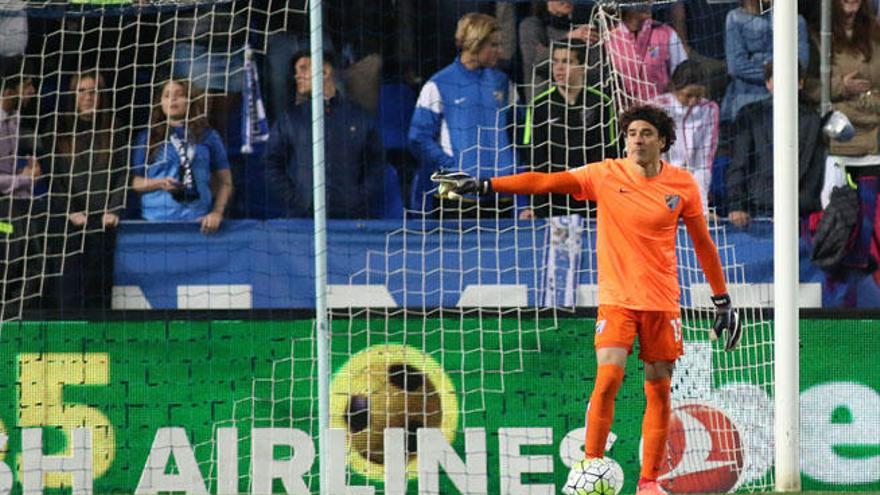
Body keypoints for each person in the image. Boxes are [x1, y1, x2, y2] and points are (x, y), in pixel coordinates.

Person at [431, 104, 742, 495]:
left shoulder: (682, 185)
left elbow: (703, 244)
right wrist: (486, 185)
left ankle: (649, 482)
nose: (636, 140)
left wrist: (722, 299)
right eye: (631, 133)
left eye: (645, 133)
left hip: (663, 301)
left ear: (662, 141)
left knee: (659, 388)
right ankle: (589, 467)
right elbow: (545, 182)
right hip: (617, 299)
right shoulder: (605, 174)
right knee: (609, 375)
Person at [408, 12, 517, 215]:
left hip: (500, 191)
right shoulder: (439, 84)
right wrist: (451, 165)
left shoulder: (503, 83)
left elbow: (518, 130)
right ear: (475, 44)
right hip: (456, 195)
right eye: (493, 45)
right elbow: (418, 138)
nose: (499, 51)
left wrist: (510, 167)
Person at [263, 51, 384, 219]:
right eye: (296, 71)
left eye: (304, 68)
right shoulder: (290, 120)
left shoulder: (359, 117)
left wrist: (357, 198)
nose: (297, 76)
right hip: (303, 221)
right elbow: (271, 164)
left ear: (326, 72)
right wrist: (297, 200)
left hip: (351, 221)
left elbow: (376, 164)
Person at [49, 70, 127, 310]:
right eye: (82, 91)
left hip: (104, 221)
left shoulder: (114, 128)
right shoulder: (59, 129)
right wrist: (70, 211)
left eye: (93, 91)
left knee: (99, 288)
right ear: (73, 95)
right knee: (70, 289)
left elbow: (123, 173)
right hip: (69, 223)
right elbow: (55, 179)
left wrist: (113, 209)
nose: (88, 96)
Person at [520, 40, 617, 219]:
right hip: (553, 201)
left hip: (592, 198)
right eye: (555, 62)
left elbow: (611, 154)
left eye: (567, 62)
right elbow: (535, 161)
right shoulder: (539, 106)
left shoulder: (601, 103)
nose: (559, 68)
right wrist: (537, 206)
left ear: (583, 66)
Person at [727, 62, 825, 227]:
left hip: (799, 214)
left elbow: (815, 171)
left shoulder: (813, 121)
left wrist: (799, 206)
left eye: (790, 79)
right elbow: (739, 164)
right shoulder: (750, 115)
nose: (784, 84)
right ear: (768, 83)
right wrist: (737, 205)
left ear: (800, 83)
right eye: (778, 78)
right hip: (756, 211)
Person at [131, 78, 233, 233]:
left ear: (190, 99)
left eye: (179, 94)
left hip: (198, 222)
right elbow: (134, 182)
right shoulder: (147, 137)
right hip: (155, 223)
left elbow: (226, 182)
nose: (172, 99)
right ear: (160, 103)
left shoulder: (208, 136)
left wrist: (217, 213)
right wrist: (159, 183)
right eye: (167, 95)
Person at [720, 0, 810, 122]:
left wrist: (775, 76)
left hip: (784, 95)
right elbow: (736, 66)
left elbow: (801, 63)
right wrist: (773, 75)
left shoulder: (796, 21)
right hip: (745, 96)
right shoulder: (735, 18)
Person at [0, 64, 42, 312]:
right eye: (26, 85)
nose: (33, 91)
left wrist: (22, 175)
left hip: (21, 206)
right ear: (8, 90)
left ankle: (13, 324)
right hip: (3, 213)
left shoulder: (16, 120)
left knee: (33, 267)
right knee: (9, 266)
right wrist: (26, 178)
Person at [651, 60, 719, 211]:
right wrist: (670, 201)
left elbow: (704, 160)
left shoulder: (710, 109)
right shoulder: (657, 107)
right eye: (688, 95)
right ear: (675, 88)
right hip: (660, 181)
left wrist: (702, 206)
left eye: (698, 96)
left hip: (693, 181)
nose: (693, 101)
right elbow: (654, 159)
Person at [607, 6, 689, 104]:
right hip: (624, 110)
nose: (647, 7)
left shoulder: (666, 33)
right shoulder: (609, 37)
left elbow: (683, 75)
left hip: (662, 110)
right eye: (640, 5)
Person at [518, 1, 599, 99]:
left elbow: (594, 68)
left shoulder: (583, 27)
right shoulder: (531, 25)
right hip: (544, 100)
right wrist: (569, 38)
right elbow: (535, 61)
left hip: (578, 99)